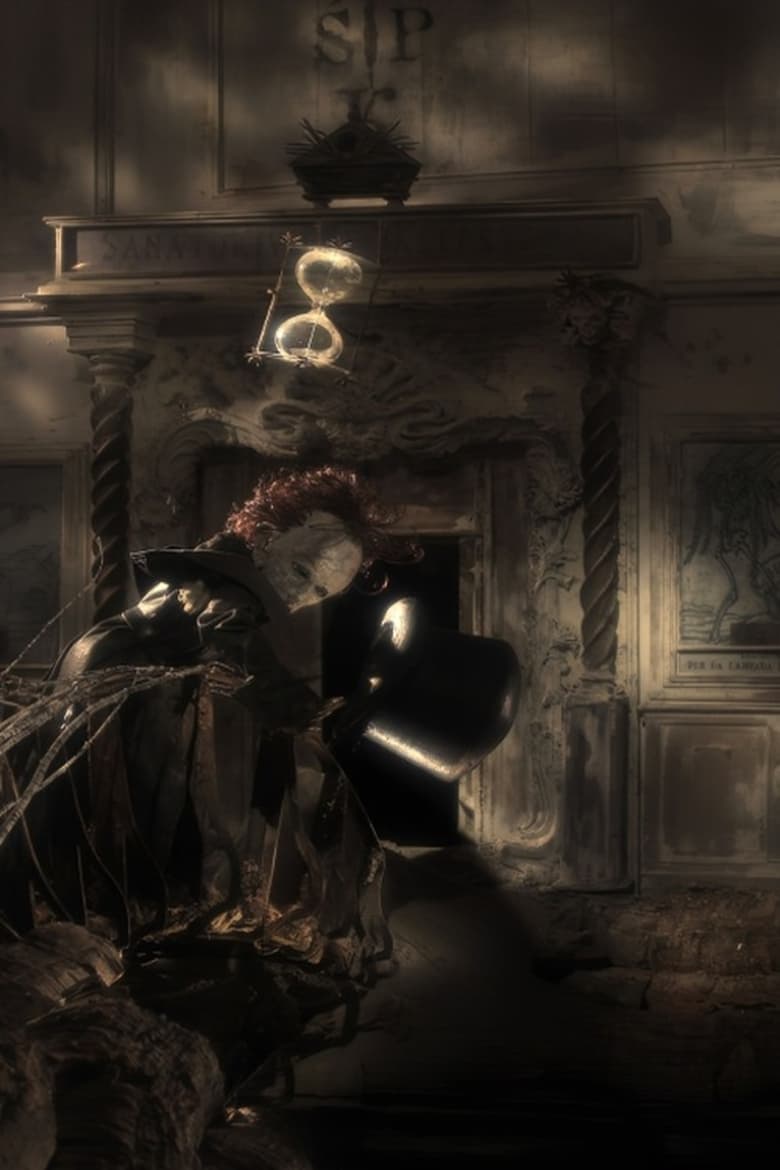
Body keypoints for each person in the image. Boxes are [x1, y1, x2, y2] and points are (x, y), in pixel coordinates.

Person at [1, 465, 421, 982]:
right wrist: (301, 712)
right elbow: (230, 638)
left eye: (320, 593)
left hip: (111, 679)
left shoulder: (213, 567)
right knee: (120, 819)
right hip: (119, 691)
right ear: (265, 537)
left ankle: (112, 919)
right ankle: (114, 926)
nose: (303, 597)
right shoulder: (229, 584)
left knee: (106, 817)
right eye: (303, 573)